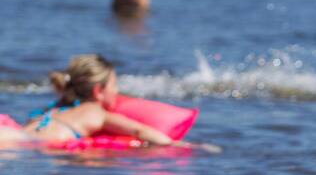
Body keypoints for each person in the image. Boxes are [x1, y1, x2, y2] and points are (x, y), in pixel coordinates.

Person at [0, 54, 187, 147]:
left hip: (13, 134)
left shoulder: (57, 107)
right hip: (24, 144)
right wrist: (176, 145)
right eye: (114, 85)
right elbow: (139, 130)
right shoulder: (96, 112)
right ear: (98, 91)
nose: (117, 91)